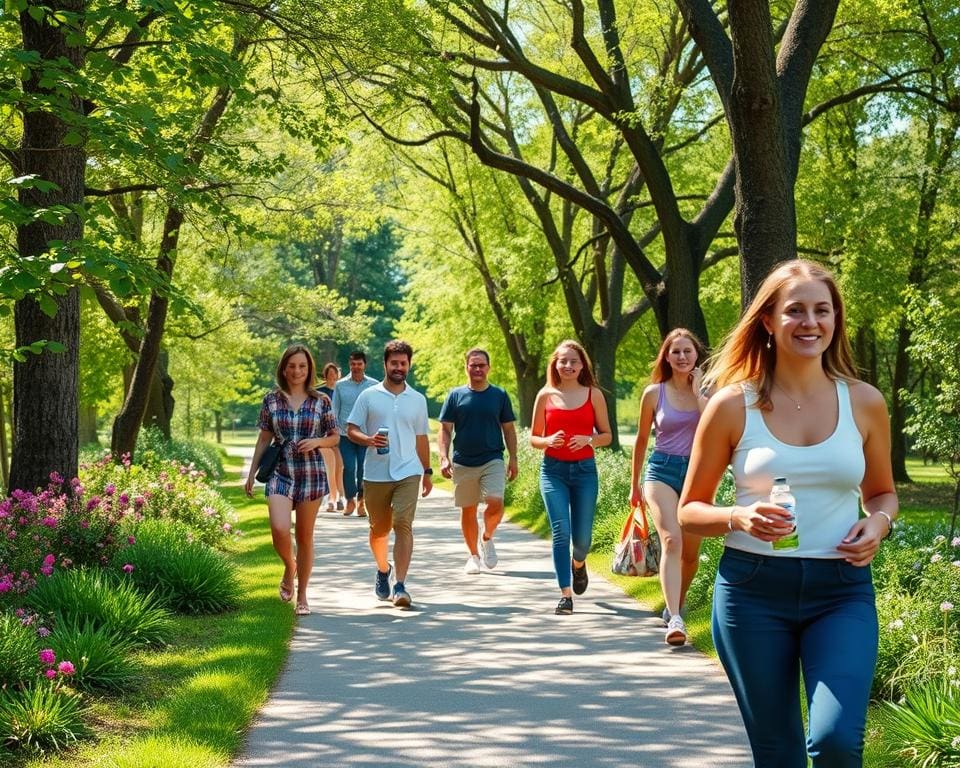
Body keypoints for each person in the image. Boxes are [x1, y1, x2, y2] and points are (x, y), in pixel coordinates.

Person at [678, 260, 898, 768]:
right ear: (768, 321)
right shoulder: (734, 405)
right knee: (778, 754)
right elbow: (689, 511)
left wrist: (878, 523)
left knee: (837, 741)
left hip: (840, 593)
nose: (810, 322)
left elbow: (883, 493)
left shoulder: (864, 402)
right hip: (753, 592)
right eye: (794, 310)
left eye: (822, 310)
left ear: (835, 321)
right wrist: (739, 517)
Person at [245, 344, 340, 617]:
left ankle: (303, 596)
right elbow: (264, 437)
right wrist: (252, 473)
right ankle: (290, 565)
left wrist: (317, 441)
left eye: (302, 366)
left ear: (309, 369)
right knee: (279, 529)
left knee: (305, 537)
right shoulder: (271, 400)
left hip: (310, 472)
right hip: (280, 471)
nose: (297, 371)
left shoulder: (322, 401)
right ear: (283, 369)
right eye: (292, 366)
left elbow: (335, 437)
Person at [630, 328, 708, 645]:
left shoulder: (708, 392)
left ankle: (676, 599)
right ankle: (675, 618)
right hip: (660, 470)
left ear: (696, 355)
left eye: (687, 351)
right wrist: (634, 484)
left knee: (690, 554)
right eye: (675, 351)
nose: (682, 357)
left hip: (697, 474)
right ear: (667, 356)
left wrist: (700, 388)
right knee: (671, 541)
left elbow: (710, 425)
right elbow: (641, 440)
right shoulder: (654, 393)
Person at [346, 340, 433, 608]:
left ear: (409, 365)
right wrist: (369, 440)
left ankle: (401, 585)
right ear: (385, 364)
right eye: (394, 363)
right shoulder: (369, 396)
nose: (398, 367)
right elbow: (351, 429)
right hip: (376, 474)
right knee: (379, 530)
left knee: (403, 524)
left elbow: (421, 438)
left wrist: (427, 471)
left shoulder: (417, 400)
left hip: (409, 471)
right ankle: (384, 569)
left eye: (403, 363)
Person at [530, 340, 612, 614]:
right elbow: (534, 438)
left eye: (573, 361)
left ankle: (579, 563)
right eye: (563, 361)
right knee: (560, 533)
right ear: (555, 363)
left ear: (582, 365)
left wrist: (589, 439)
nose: (567, 365)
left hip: (585, 473)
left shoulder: (593, 395)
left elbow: (606, 436)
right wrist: (548, 440)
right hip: (553, 472)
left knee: (583, 541)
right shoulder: (545, 395)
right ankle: (565, 595)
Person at [438, 348, 519, 575]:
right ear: (466, 367)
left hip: (492, 457)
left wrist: (513, 458)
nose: (477, 369)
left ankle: (487, 536)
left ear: (488, 368)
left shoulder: (499, 395)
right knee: (468, 510)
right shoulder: (455, 395)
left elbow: (509, 430)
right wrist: (443, 457)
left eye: (482, 365)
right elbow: (445, 429)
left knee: (496, 502)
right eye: (473, 365)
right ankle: (473, 555)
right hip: (463, 461)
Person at [332, 351, 377, 517]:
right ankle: (349, 500)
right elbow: (334, 409)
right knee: (349, 467)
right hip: (346, 435)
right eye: (353, 364)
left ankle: (361, 501)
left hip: (366, 435)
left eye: (359, 364)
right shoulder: (340, 385)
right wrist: (334, 430)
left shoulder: (374, 385)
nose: (356, 367)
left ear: (364, 365)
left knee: (363, 470)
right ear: (349, 366)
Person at [318, 363, 345, 513]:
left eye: (334, 373)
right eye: (329, 373)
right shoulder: (319, 392)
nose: (332, 376)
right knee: (329, 467)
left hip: (340, 432)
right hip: (324, 434)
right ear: (325, 375)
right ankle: (331, 498)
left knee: (339, 466)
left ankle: (339, 497)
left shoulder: (341, 389)